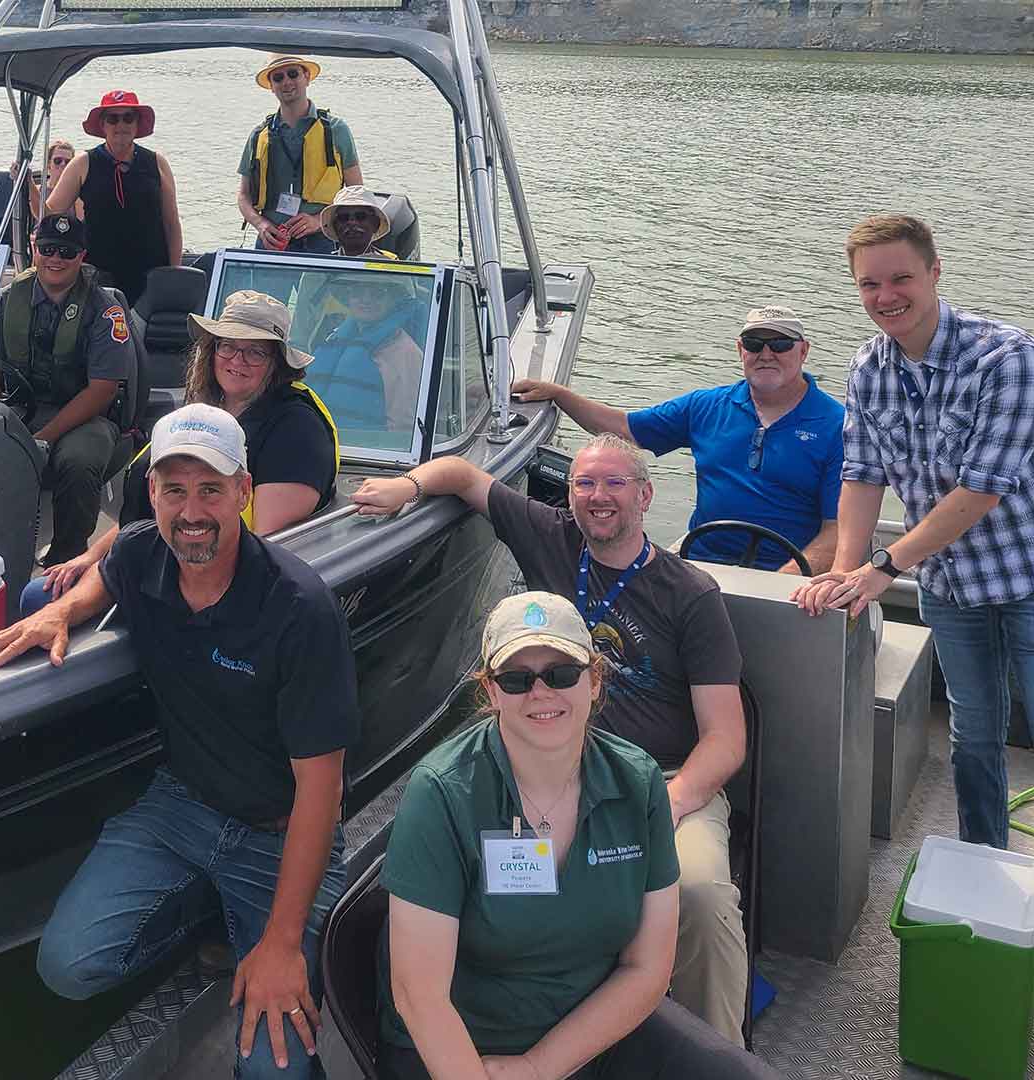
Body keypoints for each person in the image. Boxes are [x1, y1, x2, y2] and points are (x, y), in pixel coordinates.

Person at [792, 214, 1034, 1043]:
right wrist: (843, 565)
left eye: (900, 278)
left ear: (936, 271)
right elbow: (863, 474)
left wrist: (885, 569)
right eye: (869, 283)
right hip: (952, 582)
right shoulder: (868, 368)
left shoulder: (1008, 358)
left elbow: (980, 492)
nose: (885, 297)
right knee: (974, 742)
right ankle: (991, 893)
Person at [0, 403, 359, 1080]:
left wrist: (280, 942)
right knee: (68, 965)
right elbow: (112, 564)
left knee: (277, 1071)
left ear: (244, 491)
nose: (192, 511)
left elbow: (320, 789)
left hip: (281, 829)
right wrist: (60, 610)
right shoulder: (142, 550)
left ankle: (250, 927)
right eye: (173, 490)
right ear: (150, 493)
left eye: (211, 489)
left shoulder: (299, 609)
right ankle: (212, 909)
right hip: (180, 807)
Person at [351, 434, 750, 1043]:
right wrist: (406, 489)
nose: (598, 496)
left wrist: (664, 804)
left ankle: (715, 1049)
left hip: (665, 782)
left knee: (699, 894)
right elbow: (464, 474)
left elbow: (725, 739)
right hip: (536, 769)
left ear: (645, 495)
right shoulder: (552, 535)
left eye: (616, 483)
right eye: (585, 483)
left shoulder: (690, 596)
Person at [380, 590, 782, 1080]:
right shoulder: (442, 793)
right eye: (516, 678)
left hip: (596, 1035)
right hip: (464, 1053)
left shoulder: (639, 783)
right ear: (490, 692)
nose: (541, 692)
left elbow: (647, 969)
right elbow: (419, 997)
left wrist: (538, 1067)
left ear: (594, 681)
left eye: (561, 673)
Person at [23, 290, 338, 615]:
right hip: (156, 555)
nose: (237, 360)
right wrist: (90, 558)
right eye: (227, 346)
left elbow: (270, 545)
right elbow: (150, 512)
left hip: (210, 583)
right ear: (211, 351)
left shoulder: (297, 428)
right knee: (38, 594)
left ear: (277, 363)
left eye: (255, 352)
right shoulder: (206, 409)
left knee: (41, 601)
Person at [513, 305, 844, 574]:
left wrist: (781, 584)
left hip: (791, 575)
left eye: (781, 344)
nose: (767, 354)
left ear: (803, 351)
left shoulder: (837, 427)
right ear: (741, 350)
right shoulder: (706, 406)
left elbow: (837, 530)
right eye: (755, 344)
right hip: (700, 560)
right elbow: (625, 428)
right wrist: (559, 395)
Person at [0, 213, 130, 565]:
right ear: (34, 249)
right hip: (20, 406)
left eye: (66, 252)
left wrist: (44, 437)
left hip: (87, 414)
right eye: (48, 248)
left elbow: (102, 390)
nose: (56, 259)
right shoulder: (7, 299)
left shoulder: (104, 310)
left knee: (78, 462)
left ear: (81, 256)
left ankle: (68, 557)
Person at [45, 90, 183, 304]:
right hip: (99, 277)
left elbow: (172, 224)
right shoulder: (83, 162)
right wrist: (26, 185)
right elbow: (48, 214)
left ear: (137, 124)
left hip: (150, 275)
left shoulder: (157, 162)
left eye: (128, 117)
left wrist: (174, 274)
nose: (121, 125)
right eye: (113, 118)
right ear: (103, 125)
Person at [237, 55, 362, 256]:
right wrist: (261, 225)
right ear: (271, 85)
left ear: (307, 77)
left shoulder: (337, 130)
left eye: (293, 74)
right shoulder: (258, 135)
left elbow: (356, 193)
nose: (286, 82)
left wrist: (317, 221)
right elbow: (243, 196)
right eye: (278, 77)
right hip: (271, 241)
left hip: (324, 241)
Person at [309, 273, 424, 432]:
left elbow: (402, 427)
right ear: (348, 297)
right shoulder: (334, 338)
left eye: (377, 294)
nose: (366, 300)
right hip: (316, 438)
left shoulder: (406, 353)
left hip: (366, 450)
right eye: (358, 292)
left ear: (393, 299)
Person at [318, 186, 395, 259]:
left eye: (360, 216)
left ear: (375, 224)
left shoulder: (391, 263)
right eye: (343, 217)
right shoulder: (321, 266)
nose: (352, 222)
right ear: (335, 226)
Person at [28, 137, 83, 222]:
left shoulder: (77, 195)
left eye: (68, 162)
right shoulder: (37, 191)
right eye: (58, 161)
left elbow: (81, 227)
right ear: (49, 164)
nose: (63, 165)